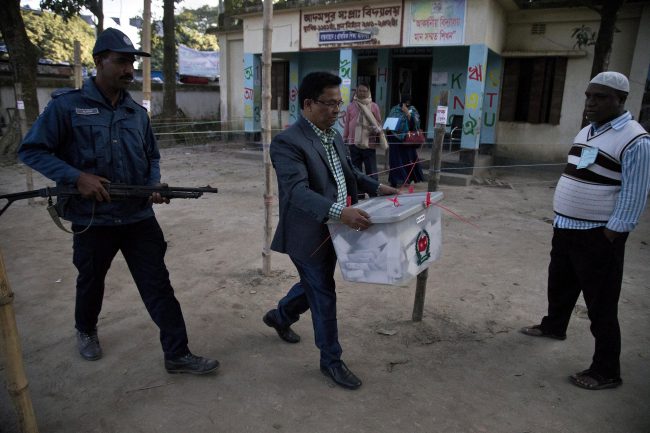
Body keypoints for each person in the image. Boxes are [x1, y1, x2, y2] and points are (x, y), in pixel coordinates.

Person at [18, 28, 219, 375]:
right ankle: (86, 330)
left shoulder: (136, 114)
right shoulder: (67, 106)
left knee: (158, 283)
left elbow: (152, 155)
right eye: (122, 62)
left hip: (138, 216)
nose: (129, 70)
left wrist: (154, 184)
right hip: (93, 218)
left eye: (132, 63)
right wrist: (76, 177)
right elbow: (32, 150)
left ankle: (177, 354)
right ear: (99, 61)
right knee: (91, 281)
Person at [262, 71, 399, 390]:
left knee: (315, 286)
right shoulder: (287, 142)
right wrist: (341, 211)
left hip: (338, 229)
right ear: (308, 104)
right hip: (307, 233)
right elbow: (297, 191)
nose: (337, 110)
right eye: (330, 104)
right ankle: (331, 361)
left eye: (340, 103)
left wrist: (378, 187)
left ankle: (280, 316)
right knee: (323, 292)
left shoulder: (333, 135)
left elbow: (349, 172)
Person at [520, 71, 650, 390]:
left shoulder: (635, 139)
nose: (591, 103)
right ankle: (554, 326)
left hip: (598, 235)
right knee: (560, 284)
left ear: (621, 100)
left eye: (600, 97)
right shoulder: (588, 131)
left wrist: (611, 234)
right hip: (566, 227)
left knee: (600, 304)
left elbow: (635, 193)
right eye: (589, 96)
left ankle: (606, 371)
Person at [342, 83, 388, 195]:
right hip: (353, 143)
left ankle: (374, 193)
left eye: (364, 91)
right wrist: (345, 138)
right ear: (356, 91)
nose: (362, 93)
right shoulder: (351, 106)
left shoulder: (374, 106)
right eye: (360, 90)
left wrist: (375, 129)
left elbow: (378, 123)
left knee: (371, 171)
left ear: (368, 92)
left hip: (369, 143)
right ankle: (358, 193)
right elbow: (347, 123)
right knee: (356, 170)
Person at [386, 94, 424, 188]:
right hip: (394, 139)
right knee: (395, 161)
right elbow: (389, 122)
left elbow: (416, 125)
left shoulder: (413, 110)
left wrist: (408, 114)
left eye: (408, 101)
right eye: (405, 101)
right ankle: (395, 180)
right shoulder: (394, 109)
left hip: (407, 140)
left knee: (407, 161)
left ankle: (406, 180)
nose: (406, 103)